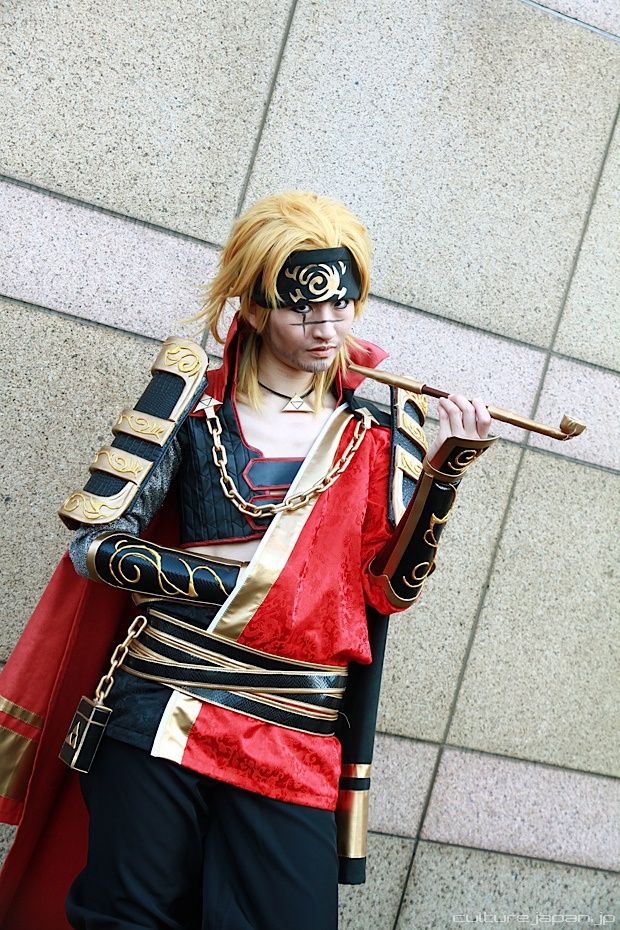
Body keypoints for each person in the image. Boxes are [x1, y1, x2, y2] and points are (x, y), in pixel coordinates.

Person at [0, 191, 495, 930]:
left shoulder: (382, 429)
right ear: (255, 308)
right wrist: (256, 585)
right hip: (166, 704)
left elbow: (389, 590)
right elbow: (95, 545)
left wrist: (445, 471)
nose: (327, 327)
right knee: (127, 918)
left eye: (342, 304)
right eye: (303, 308)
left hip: (296, 729)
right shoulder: (192, 401)